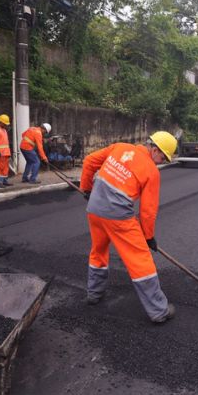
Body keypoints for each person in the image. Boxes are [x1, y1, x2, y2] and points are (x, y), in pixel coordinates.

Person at [79, 131, 178, 323]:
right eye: (162, 157)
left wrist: (87, 189)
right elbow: (148, 211)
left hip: (94, 210)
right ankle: (159, 311)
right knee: (140, 260)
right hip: (117, 217)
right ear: (154, 149)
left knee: (98, 250)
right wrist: (148, 237)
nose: (162, 161)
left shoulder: (120, 147)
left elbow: (89, 161)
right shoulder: (151, 171)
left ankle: (94, 294)